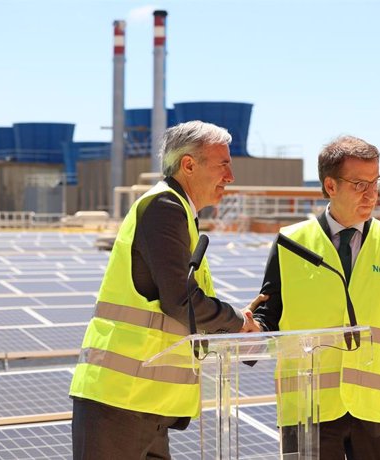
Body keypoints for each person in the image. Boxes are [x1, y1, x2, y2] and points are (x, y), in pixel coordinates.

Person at [69, 120, 266, 459]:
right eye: (223, 165)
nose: (230, 177)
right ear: (188, 164)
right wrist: (237, 323)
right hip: (120, 403)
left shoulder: (179, 213)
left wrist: (236, 328)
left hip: (144, 404)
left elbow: (183, 307)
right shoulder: (164, 207)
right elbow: (181, 301)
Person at [252, 135, 380, 460]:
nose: (372, 194)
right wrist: (250, 331)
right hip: (308, 411)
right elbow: (267, 318)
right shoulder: (291, 244)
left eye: (376, 182)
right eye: (359, 184)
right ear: (330, 186)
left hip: (377, 413)